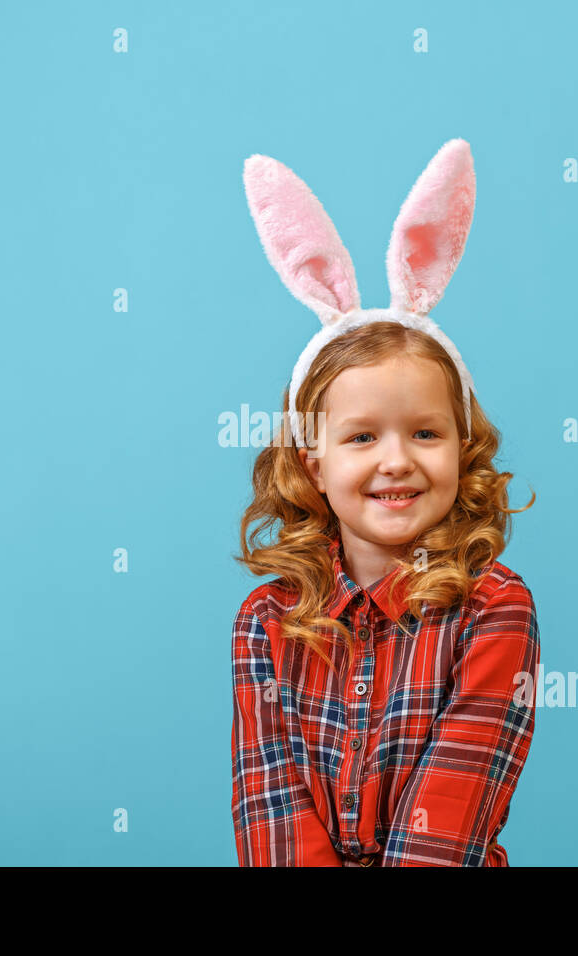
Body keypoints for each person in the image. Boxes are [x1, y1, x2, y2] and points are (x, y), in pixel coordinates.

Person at [231, 140, 540, 866]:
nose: (396, 460)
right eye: (362, 436)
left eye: (425, 432)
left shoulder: (495, 610)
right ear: (315, 463)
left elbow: (449, 818)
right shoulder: (264, 624)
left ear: (461, 449)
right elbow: (271, 809)